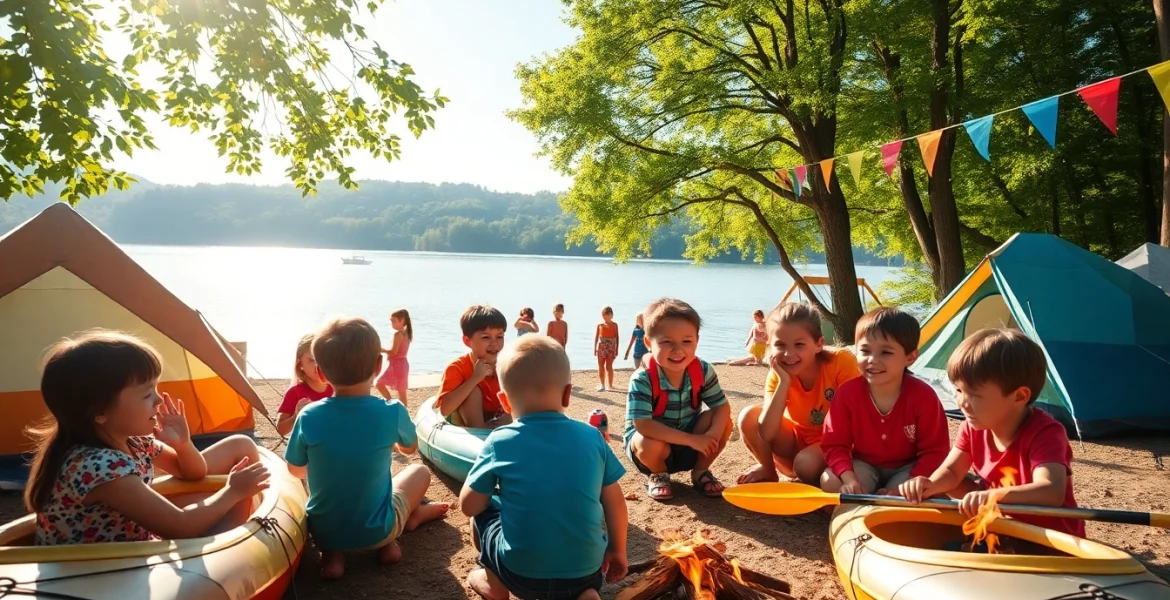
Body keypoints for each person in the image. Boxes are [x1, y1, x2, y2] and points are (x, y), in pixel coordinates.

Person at [27, 329, 269, 545]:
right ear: (100, 412)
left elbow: (194, 473)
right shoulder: (98, 465)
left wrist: (183, 446)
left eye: (156, 388)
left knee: (216, 487)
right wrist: (233, 492)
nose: (160, 399)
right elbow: (181, 527)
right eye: (146, 395)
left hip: (129, 546)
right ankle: (235, 546)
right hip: (94, 570)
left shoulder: (135, 441)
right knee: (224, 499)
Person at [460, 335, 628, 600]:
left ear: (504, 401)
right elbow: (615, 500)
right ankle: (586, 595)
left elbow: (469, 506)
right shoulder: (592, 436)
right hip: (586, 573)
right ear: (568, 393)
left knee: (485, 513)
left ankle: (495, 585)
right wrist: (618, 550)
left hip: (522, 578)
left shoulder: (499, 440)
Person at [285, 316, 450, 580]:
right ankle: (388, 544)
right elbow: (409, 449)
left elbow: (294, 469)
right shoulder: (391, 411)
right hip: (378, 528)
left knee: (334, 502)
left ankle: (334, 558)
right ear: (378, 365)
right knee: (419, 472)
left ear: (321, 373)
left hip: (325, 531)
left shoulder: (308, 416)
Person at [898, 329, 1085, 538]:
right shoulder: (972, 427)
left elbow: (1051, 491)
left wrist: (993, 496)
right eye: (959, 391)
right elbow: (951, 472)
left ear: (1019, 396)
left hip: (1049, 539)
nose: (962, 403)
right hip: (1000, 528)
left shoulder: (1045, 433)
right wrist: (929, 485)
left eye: (975, 395)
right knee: (950, 481)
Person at [819, 308, 950, 495]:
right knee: (831, 482)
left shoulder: (924, 396)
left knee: (923, 490)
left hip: (907, 468)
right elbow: (834, 444)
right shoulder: (847, 393)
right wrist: (850, 480)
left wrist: (900, 489)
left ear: (910, 357)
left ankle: (891, 500)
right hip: (863, 464)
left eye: (886, 353)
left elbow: (935, 451)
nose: (873, 360)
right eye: (865, 351)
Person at [736, 303, 861, 485]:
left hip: (837, 444)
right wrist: (784, 383)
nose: (789, 353)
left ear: (818, 344)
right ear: (770, 345)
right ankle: (768, 470)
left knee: (805, 464)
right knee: (748, 415)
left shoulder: (840, 362)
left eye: (799, 344)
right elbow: (766, 433)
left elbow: (854, 421)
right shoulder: (777, 375)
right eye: (780, 345)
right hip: (795, 445)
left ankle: (817, 472)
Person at [625, 298, 733, 501]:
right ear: (648, 343)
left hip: (691, 446)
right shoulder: (642, 378)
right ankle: (658, 475)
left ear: (697, 341)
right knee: (647, 443)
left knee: (723, 421)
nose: (678, 350)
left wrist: (712, 436)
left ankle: (701, 471)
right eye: (667, 342)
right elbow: (643, 425)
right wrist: (693, 440)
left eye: (686, 341)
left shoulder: (702, 370)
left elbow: (721, 406)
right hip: (653, 449)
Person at [438, 306, 511, 428]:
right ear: (467, 341)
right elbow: (444, 409)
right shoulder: (457, 367)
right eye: (486, 337)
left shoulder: (506, 364)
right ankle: (480, 430)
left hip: (498, 417)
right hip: (468, 423)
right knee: (473, 390)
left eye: (499, 337)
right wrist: (475, 378)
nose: (494, 343)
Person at [276, 333, 334, 436]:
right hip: (307, 448)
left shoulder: (337, 388)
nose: (317, 365)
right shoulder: (295, 392)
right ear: (300, 363)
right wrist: (296, 416)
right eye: (312, 360)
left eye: (322, 358)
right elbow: (281, 429)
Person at [376, 308, 414, 405]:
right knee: (402, 393)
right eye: (391, 321)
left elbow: (393, 352)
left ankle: (390, 402)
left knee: (379, 384)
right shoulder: (407, 333)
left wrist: (380, 349)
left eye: (394, 321)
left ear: (402, 321)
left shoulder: (398, 334)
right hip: (403, 364)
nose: (392, 323)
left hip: (396, 365)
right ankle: (403, 413)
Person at [593, 307, 619, 391]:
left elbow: (617, 337)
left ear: (611, 315)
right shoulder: (600, 325)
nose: (605, 317)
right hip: (601, 347)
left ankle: (610, 385)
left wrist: (616, 349)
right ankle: (602, 384)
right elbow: (596, 337)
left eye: (607, 315)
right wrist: (595, 348)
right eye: (604, 315)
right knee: (600, 365)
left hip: (611, 347)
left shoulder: (615, 325)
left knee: (609, 366)